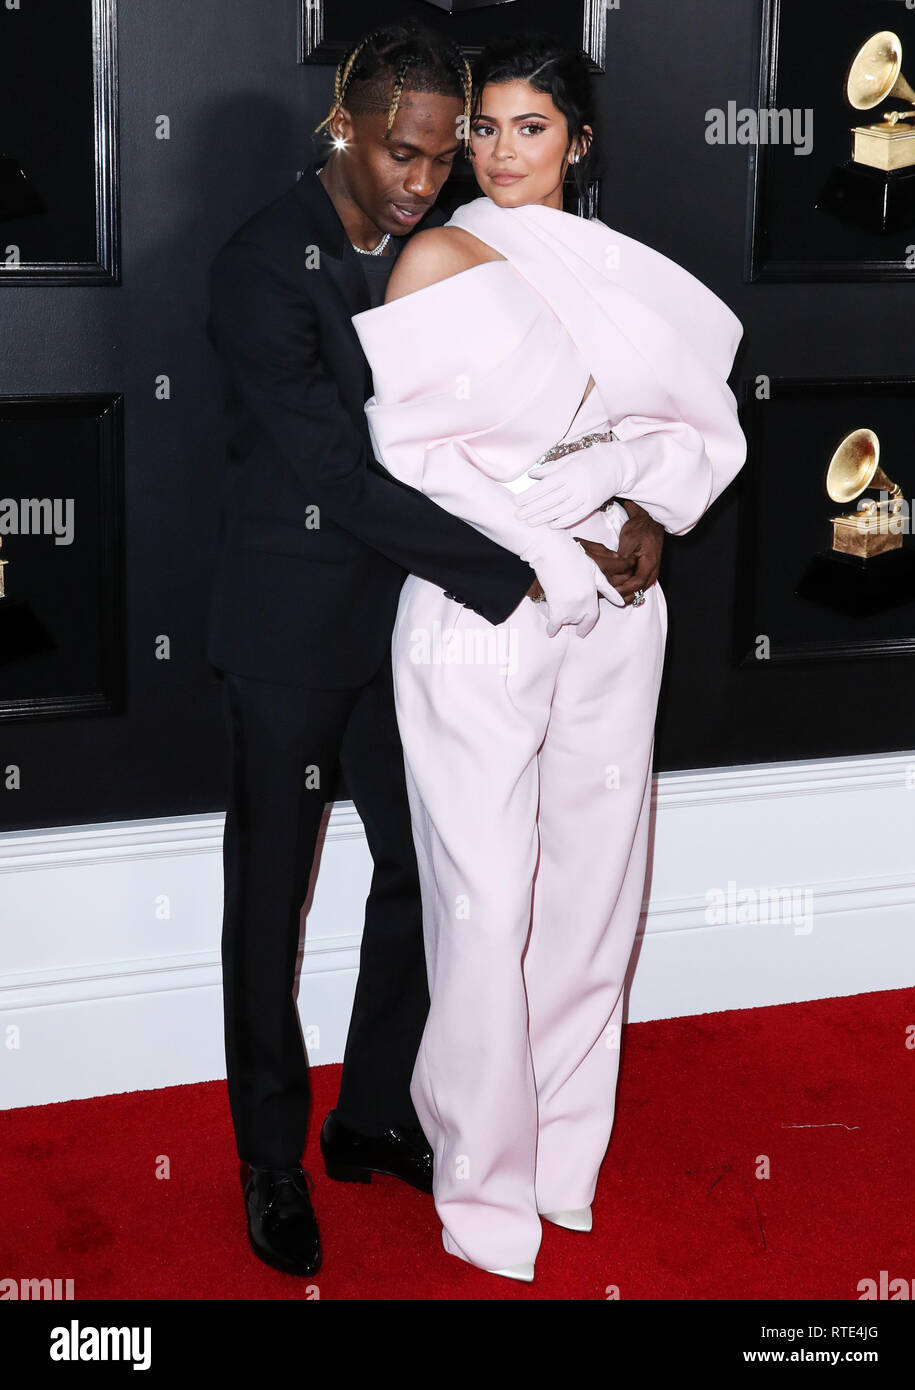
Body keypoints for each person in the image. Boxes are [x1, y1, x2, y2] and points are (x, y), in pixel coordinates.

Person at [204, 20, 661, 1278]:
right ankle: (268, 1160)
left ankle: (369, 1118)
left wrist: (620, 509)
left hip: (408, 628)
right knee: (269, 906)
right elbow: (341, 478)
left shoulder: (446, 250)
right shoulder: (260, 266)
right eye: (401, 155)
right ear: (340, 127)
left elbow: (526, 424)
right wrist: (523, 568)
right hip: (291, 634)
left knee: (431, 876)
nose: (421, 180)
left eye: (439, 157)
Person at [351, 34, 747, 1282]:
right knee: (485, 900)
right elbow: (414, 461)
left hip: (620, 608)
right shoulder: (434, 255)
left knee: (592, 893)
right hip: (485, 607)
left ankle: (563, 1159)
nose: (499, 152)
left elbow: (693, 427)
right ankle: (480, 1182)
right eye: (484, 129)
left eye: (530, 128)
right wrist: (557, 539)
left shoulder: (628, 274)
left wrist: (647, 512)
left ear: (577, 142)